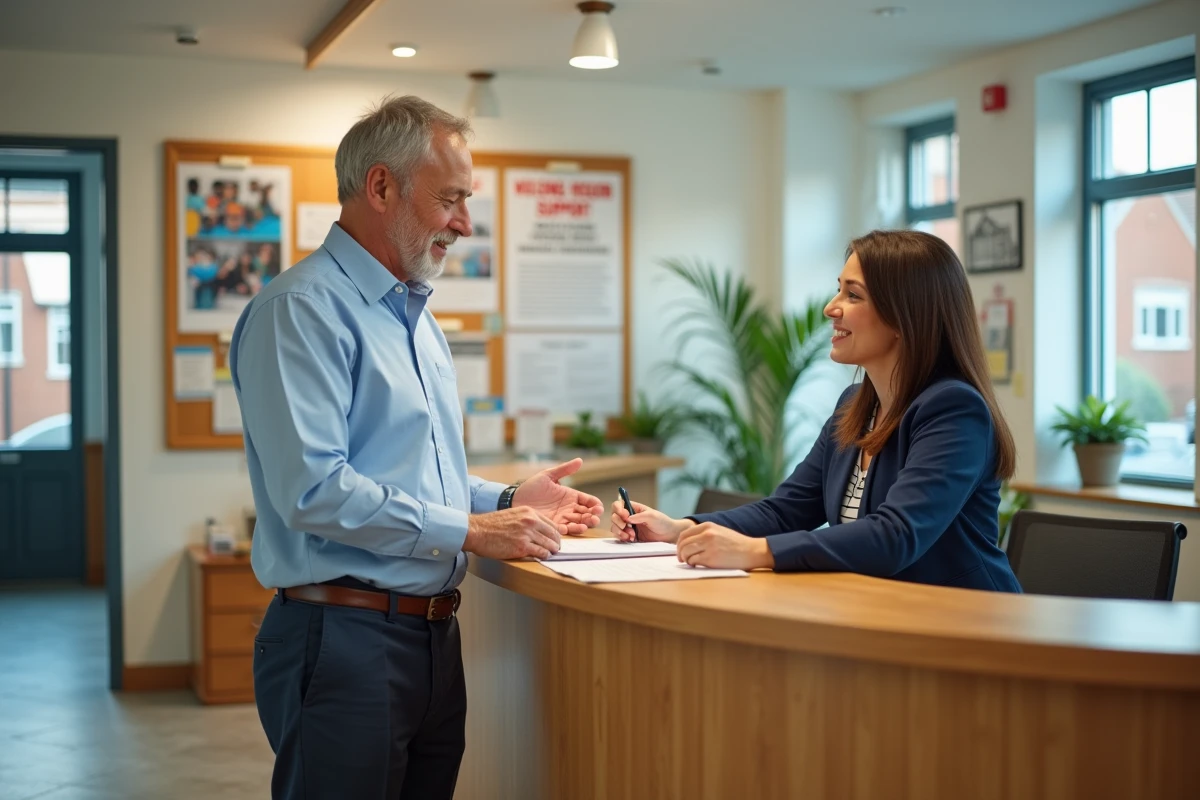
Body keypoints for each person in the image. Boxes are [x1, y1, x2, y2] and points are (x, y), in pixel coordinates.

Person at [231, 95, 605, 800]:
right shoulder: (301, 310)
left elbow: (409, 473)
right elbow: (315, 489)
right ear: (381, 187)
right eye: (451, 200)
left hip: (430, 640)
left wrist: (507, 501)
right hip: (341, 639)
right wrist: (472, 529)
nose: (464, 224)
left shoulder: (414, 314)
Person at [611, 229, 1022, 593]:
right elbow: (785, 510)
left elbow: (895, 536)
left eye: (853, 294)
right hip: (877, 611)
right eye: (838, 289)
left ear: (904, 316)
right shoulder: (855, 406)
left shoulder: (953, 409)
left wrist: (756, 552)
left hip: (966, 625)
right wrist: (680, 529)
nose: (831, 307)